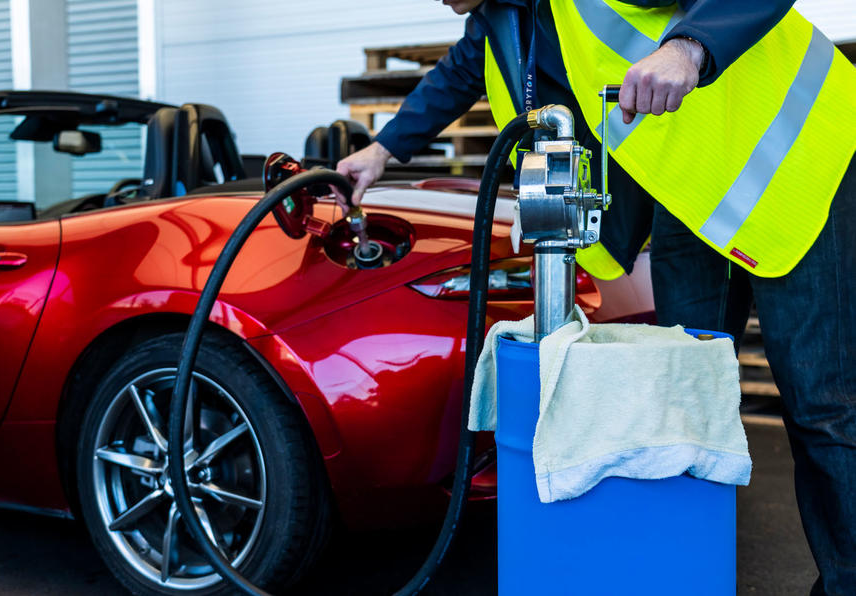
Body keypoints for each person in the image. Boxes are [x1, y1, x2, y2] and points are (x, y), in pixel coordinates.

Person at [335, 1, 856, 594]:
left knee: (824, 406)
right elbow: (456, 74)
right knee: (678, 394)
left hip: (795, 161)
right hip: (689, 193)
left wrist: (689, 47)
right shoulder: (500, 21)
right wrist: (380, 151)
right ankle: (687, 572)